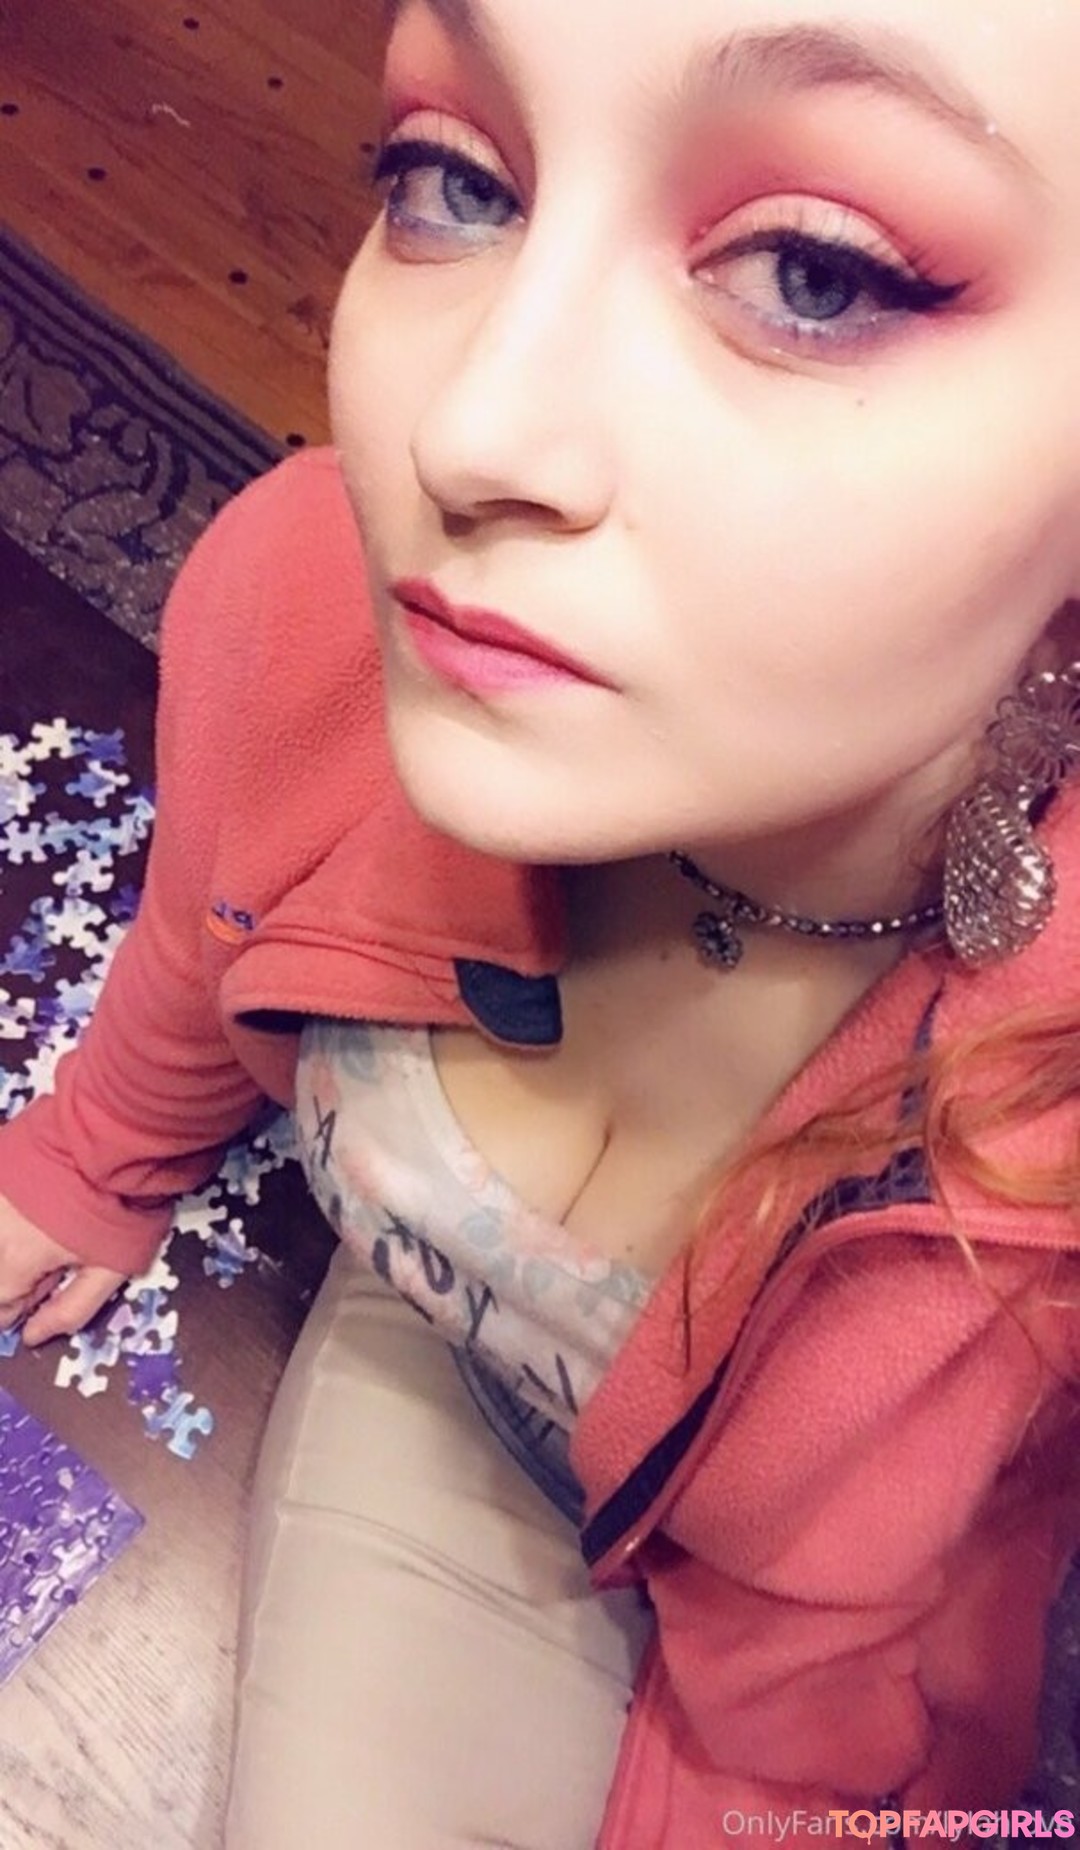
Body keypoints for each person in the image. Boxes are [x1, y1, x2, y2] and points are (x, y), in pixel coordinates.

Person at [2, 0, 1080, 1842]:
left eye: (816, 275)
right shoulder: (300, 602)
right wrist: (103, 1143)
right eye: (454, 178)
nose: (468, 426)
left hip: (820, 1691)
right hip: (450, 1411)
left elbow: (830, 1687)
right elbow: (209, 912)